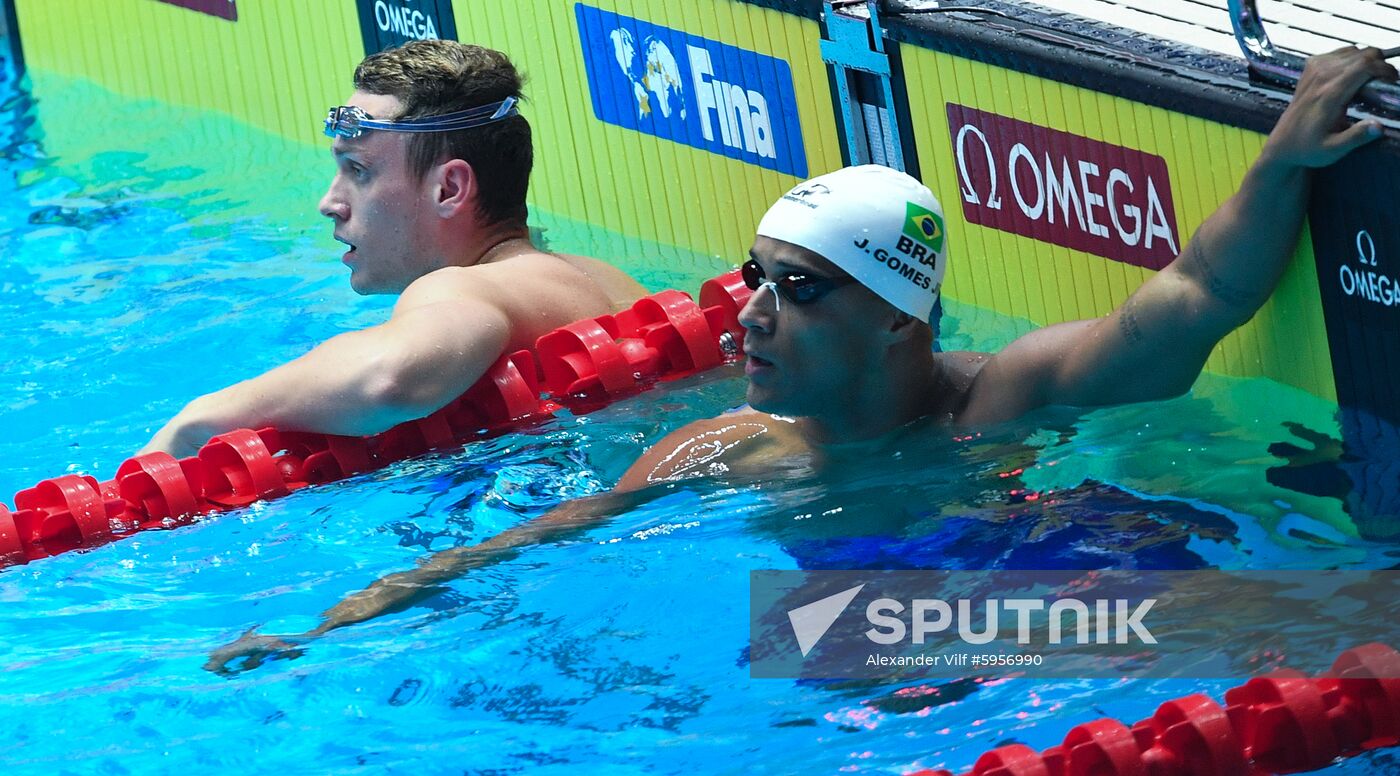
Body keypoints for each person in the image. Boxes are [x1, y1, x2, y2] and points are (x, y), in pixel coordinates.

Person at [206, 47, 1396, 674]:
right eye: (756, 276)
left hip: (1038, 568)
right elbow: (507, 548)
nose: (753, 315)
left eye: (799, 287)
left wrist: (1283, 157)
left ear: (898, 320)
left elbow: (1188, 301)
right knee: (827, 630)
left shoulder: (998, 397)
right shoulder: (724, 447)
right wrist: (323, 628)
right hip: (871, 632)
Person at [141, 40, 644, 457]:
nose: (329, 203)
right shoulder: (603, 279)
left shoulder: (464, 288)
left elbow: (390, 377)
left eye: (358, 171)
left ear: (449, 189)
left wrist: (197, 419)